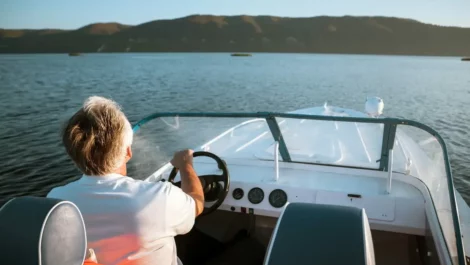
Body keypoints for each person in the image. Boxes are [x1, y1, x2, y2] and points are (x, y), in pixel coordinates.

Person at [47, 96, 204, 265]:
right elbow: (197, 203)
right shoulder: (159, 198)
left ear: (74, 155)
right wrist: (186, 165)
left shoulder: (56, 203)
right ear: (128, 152)